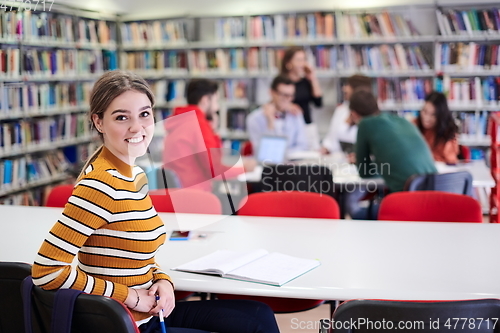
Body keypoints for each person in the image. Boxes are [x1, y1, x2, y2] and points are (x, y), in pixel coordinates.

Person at [31, 70, 280, 333]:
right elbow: (47, 271)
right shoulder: (100, 185)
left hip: (149, 313)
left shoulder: (135, 174)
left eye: (145, 114)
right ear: (99, 121)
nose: (137, 127)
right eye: (121, 117)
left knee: (259, 315)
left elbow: (139, 254)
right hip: (125, 323)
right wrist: (129, 296)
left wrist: (163, 280)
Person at [163, 78, 255, 191]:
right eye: (216, 101)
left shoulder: (180, 121)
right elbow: (215, 170)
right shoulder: (199, 125)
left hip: (177, 193)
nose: (216, 107)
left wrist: (211, 131)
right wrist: (245, 169)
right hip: (197, 195)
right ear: (205, 100)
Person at [351, 89, 437, 193]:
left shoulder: (365, 124)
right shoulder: (400, 120)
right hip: (434, 187)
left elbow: (364, 172)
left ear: (354, 114)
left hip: (408, 194)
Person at [246, 75, 308, 154]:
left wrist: (284, 154)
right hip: (267, 164)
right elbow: (263, 151)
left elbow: (303, 145)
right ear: (272, 92)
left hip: (293, 163)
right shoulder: (254, 119)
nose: (288, 99)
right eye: (284, 95)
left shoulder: (295, 114)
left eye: (291, 95)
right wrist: (270, 122)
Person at [280, 47, 323, 149]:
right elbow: (275, 103)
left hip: (307, 125)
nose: (302, 63)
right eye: (298, 60)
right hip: (289, 127)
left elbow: (319, 103)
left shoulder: (305, 81)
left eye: (304, 60)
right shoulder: (282, 83)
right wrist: (288, 105)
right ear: (288, 63)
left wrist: (312, 78)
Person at [321, 74, 372, 155]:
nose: (344, 88)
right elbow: (330, 137)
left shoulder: (370, 113)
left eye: (348, 85)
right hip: (335, 158)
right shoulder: (341, 110)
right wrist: (326, 147)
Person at [416, 91, 459, 164]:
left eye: (433, 115)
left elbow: (451, 162)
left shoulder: (448, 133)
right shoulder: (414, 125)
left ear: (440, 115)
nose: (427, 118)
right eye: (425, 111)